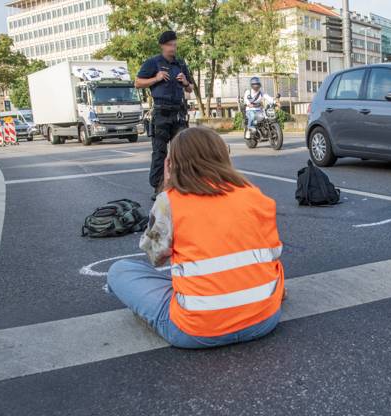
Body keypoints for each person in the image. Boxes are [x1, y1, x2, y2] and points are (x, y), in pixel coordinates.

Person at [107, 126, 285, 348]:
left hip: (197, 331)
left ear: (173, 163)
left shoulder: (170, 200)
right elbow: (273, 254)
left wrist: (166, 182)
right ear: (222, 155)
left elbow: (156, 256)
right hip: (264, 320)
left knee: (120, 271)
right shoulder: (253, 194)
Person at [135, 30, 194, 200]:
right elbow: (138, 83)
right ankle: (158, 186)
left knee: (183, 151)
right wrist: (156, 78)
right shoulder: (153, 63)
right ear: (162, 46)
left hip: (179, 112)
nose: (173, 48)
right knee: (160, 152)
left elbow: (190, 88)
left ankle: (182, 185)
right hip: (161, 112)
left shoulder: (181, 64)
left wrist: (185, 82)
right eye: (170, 45)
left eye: (175, 45)